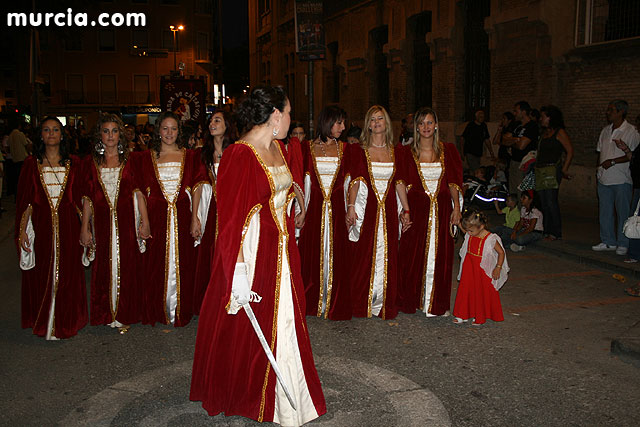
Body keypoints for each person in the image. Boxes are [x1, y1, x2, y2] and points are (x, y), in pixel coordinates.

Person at [191, 86, 326, 425]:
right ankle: (249, 393)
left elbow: (281, 189)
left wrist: (293, 202)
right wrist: (236, 271)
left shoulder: (279, 148)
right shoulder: (239, 154)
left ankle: (287, 394)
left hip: (281, 249)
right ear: (275, 115)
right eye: (290, 112)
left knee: (285, 323)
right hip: (251, 252)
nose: (292, 119)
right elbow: (231, 220)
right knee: (247, 328)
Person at [135, 112, 210, 326]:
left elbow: (197, 188)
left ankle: (180, 308)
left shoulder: (192, 156)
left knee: (185, 263)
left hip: (183, 215)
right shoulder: (145, 158)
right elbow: (140, 191)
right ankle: (159, 309)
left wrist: (195, 217)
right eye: (165, 128)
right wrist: (144, 220)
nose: (169, 133)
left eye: (174, 129)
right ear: (158, 130)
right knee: (155, 264)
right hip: (157, 217)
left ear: (179, 131)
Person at [15, 116, 87, 339]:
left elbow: (81, 200)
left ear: (62, 134)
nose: (51, 134)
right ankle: (45, 321)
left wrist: (85, 228)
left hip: (68, 225)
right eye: (46, 130)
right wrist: (23, 230)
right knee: (43, 272)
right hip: (42, 226)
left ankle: (66, 320)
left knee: (68, 273)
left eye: (55, 129)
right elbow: (25, 200)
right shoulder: (31, 164)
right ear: (41, 135)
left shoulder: (73, 163)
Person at [78, 114, 151, 332]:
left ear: (121, 134)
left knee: (128, 266)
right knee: (103, 267)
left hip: (126, 222)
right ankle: (106, 312)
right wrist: (84, 227)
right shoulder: (91, 163)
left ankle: (126, 312)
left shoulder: (132, 161)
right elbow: (88, 199)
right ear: (99, 135)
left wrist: (145, 222)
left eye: (114, 131)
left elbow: (139, 194)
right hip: (101, 224)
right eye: (106, 131)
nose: (110, 135)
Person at [396, 107, 463, 317]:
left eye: (430, 122)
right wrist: (405, 210)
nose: (426, 127)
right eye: (422, 123)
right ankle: (413, 299)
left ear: (436, 126)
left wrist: (457, 207)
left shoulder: (448, 150)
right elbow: (400, 182)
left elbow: (453, 181)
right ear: (416, 127)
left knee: (441, 255)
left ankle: (436, 302)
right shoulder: (407, 153)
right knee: (412, 256)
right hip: (418, 210)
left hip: (442, 211)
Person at [344, 105, 410, 319]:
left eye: (380, 118)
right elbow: (355, 180)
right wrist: (351, 207)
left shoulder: (396, 150)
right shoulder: (358, 150)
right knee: (363, 255)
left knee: (390, 253)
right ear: (368, 125)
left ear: (386, 123)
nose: (376, 122)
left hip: (389, 207)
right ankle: (363, 301)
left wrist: (406, 210)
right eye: (372, 119)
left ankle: (384, 301)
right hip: (368, 208)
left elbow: (399, 183)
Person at [298, 105, 350, 319]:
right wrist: (301, 210)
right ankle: (313, 299)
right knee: (311, 252)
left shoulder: (346, 149)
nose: (343, 127)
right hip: (314, 208)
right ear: (328, 122)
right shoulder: (306, 148)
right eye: (339, 123)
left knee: (338, 252)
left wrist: (351, 208)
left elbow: (351, 182)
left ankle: (334, 301)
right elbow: (297, 181)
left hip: (337, 208)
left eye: (343, 123)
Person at [192, 109, 236, 314]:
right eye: (210, 120)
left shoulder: (236, 151)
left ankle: (232, 298)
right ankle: (213, 302)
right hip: (211, 211)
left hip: (232, 212)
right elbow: (198, 187)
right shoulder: (203, 154)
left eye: (217, 120)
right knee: (211, 252)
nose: (212, 123)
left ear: (227, 125)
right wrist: (195, 218)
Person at [592, 100, 640, 255]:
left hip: (621, 179)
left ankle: (623, 242)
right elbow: (600, 152)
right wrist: (598, 169)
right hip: (604, 178)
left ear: (620, 112)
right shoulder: (605, 130)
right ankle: (608, 240)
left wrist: (612, 162)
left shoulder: (631, 131)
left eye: (611, 110)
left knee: (622, 212)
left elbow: (633, 156)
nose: (608, 112)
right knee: (605, 212)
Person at [452, 209, 508, 325]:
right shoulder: (472, 232)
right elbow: (466, 231)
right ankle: (463, 313)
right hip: (469, 265)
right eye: (467, 230)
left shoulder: (490, 238)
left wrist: (498, 267)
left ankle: (479, 315)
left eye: (471, 230)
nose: (468, 233)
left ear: (481, 226)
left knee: (479, 291)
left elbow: (501, 252)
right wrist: (458, 223)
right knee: (465, 289)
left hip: (481, 269)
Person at [536, 105, 574, 241]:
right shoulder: (544, 133)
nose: (541, 119)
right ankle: (546, 229)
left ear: (550, 117)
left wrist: (564, 168)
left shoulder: (559, 132)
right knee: (543, 202)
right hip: (541, 169)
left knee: (551, 201)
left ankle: (555, 232)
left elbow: (569, 150)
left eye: (543, 116)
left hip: (552, 170)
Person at [502, 101, 539, 193]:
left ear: (523, 112)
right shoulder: (516, 125)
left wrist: (512, 140)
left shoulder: (532, 126)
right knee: (512, 189)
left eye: (516, 111)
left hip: (524, 163)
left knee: (521, 191)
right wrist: (516, 140)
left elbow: (522, 146)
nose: (514, 113)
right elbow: (504, 140)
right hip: (513, 161)